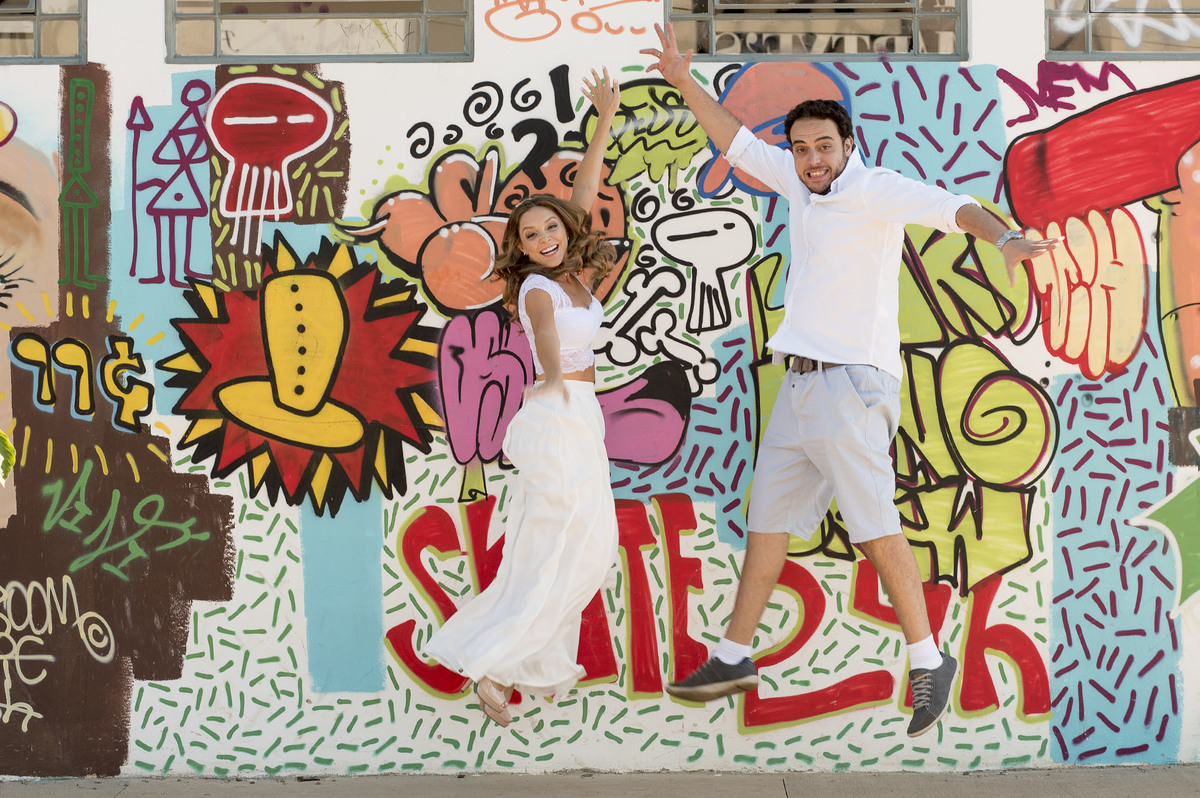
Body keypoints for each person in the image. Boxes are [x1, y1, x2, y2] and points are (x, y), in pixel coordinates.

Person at [641, 24, 1060, 738]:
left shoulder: (873, 189)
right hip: (798, 388)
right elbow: (735, 142)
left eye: (823, 147)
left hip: (851, 388)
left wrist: (1006, 239)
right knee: (767, 525)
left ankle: (928, 658)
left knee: (874, 528)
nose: (811, 159)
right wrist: (684, 82)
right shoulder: (798, 186)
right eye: (801, 148)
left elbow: (953, 208)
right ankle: (735, 657)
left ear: (847, 146)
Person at [424, 69, 622, 728]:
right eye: (530, 236)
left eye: (549, 229)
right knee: (557, 545)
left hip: (580, 417)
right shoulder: (539, 288)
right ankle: (495, 665)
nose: (543, 240)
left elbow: (584, 194)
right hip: (557, 414)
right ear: (522, 249)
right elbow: (544, 333)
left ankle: (509, 664)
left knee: (590, 548)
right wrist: (553, 374)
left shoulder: (577, 275)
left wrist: (604, 119)